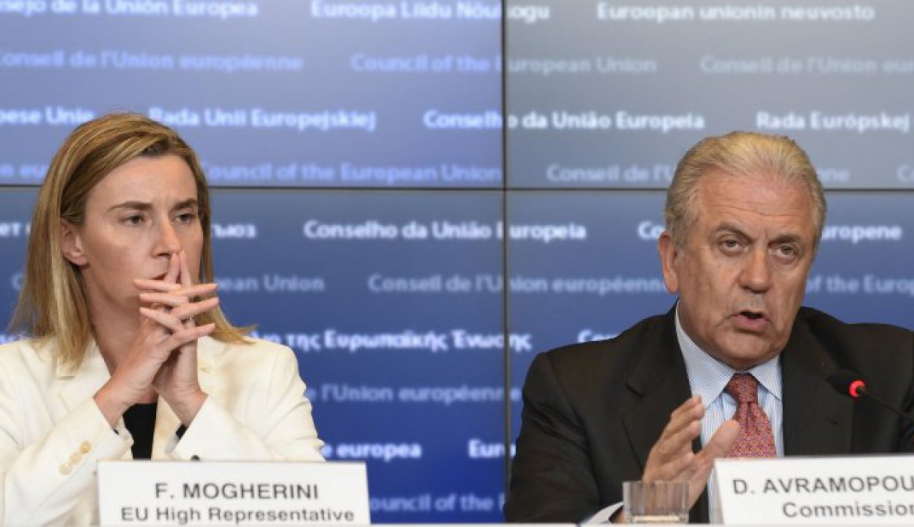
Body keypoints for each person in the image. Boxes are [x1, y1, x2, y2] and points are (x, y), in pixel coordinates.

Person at [504, 131, 914, 523]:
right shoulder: (576, 391)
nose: (758, 278)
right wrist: (642, 519)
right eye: (731, 244)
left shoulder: (890, 378)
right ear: (672, 260)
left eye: (786, 250)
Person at [0, 113, 324, 525]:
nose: (171, 245)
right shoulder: (11, 379)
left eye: (184, 217)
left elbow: (318, 516)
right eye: (135, 219)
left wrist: (192, 404)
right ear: (72, 240)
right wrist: (116, 394)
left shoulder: (265, 370)